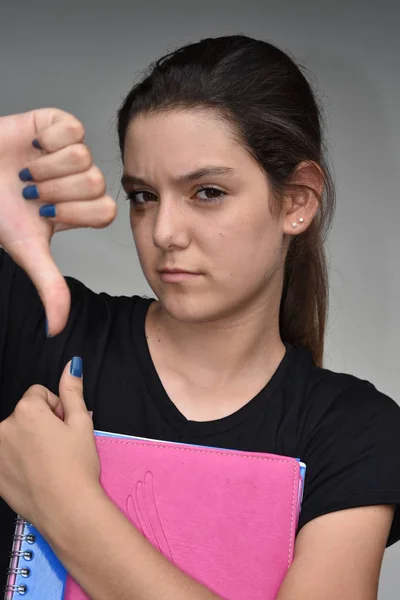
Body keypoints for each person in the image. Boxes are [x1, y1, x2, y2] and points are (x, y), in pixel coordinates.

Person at [0, 34, 399, 600]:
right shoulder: (42, 325)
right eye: (143, 196)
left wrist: (62, 504)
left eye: (207, 191)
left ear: (297, 201)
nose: (164, 232)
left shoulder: (353, 432)